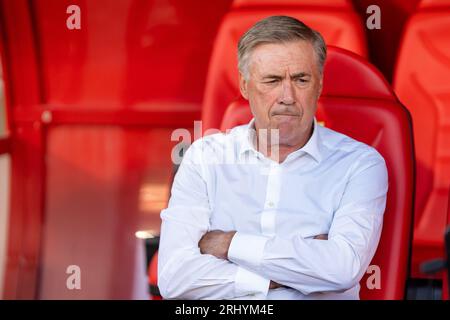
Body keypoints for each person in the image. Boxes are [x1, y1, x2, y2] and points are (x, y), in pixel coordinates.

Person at [157, 15, 388, 299]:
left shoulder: (360, 164)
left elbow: (341, 269)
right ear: (244, 86)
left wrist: (230, 244)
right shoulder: (205, 158)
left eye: (301, 79)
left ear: (319, 84)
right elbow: (174, 279)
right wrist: (292, 273)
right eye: (272, 80)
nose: (287, 96)